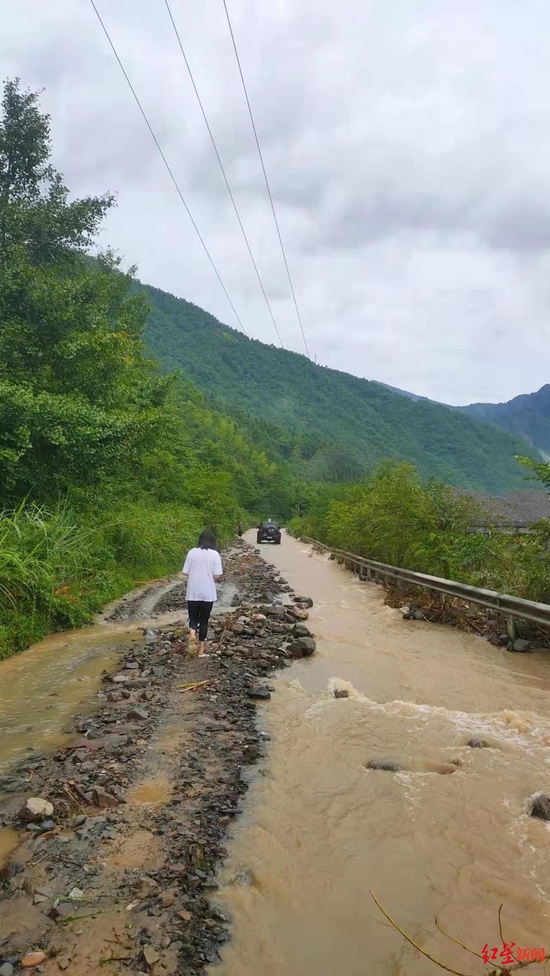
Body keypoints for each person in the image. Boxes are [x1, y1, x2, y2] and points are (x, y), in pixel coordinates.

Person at [182, 529, 223, 657]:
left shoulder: (191, 553)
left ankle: (192, 633)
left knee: (193, 618)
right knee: (204, 620)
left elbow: (185, 572)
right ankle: (201, 651)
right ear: (213, 541)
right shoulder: (215, 554)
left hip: (193, 592)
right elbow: (217, 575)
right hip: (207, 593)